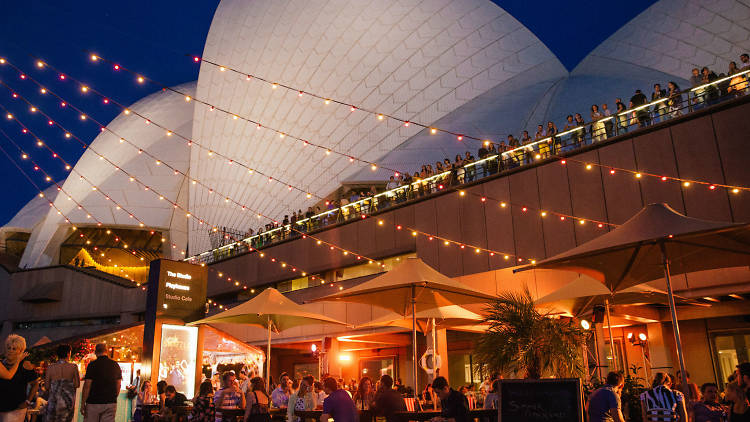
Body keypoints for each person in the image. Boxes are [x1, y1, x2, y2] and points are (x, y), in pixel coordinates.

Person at [0, 335, 38, 422]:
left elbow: (35, 384)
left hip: (16, 408)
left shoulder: (25, 365)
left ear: (21, 351)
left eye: (14, 349)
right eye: (8, 348)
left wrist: (28, 401)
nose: (10, 351)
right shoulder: (1, 365)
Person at [81, 343, 122, 422]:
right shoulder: (115, 365)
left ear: (95, 352)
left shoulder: (92, 365)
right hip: (110, 402)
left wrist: (83, 404)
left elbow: (87, 386)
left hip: (93, 402)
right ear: (106, 351)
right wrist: (113, 397)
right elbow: (118, 384)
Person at [45, 344, 80, 422]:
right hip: (68, 402)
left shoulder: (50, 367)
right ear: (68, 354)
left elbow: (47, 386)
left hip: (54, 402)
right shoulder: (73, 367)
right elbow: (77, 384)